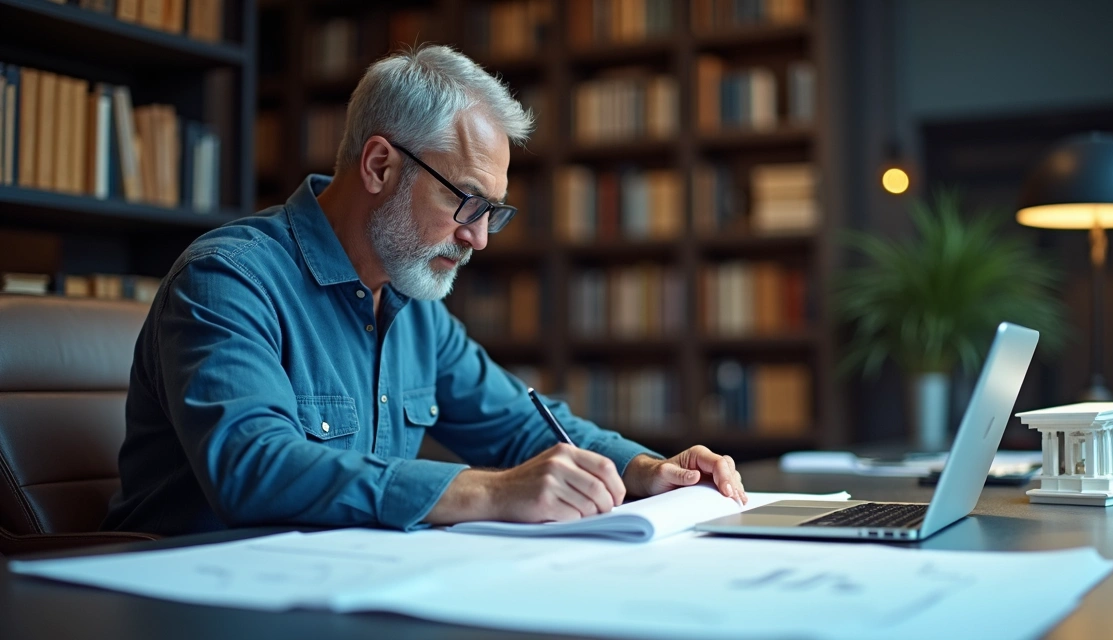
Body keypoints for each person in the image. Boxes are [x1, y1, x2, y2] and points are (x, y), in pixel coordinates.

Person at [103, 45, 746, 536]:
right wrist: (490, 492)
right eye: (466, 201)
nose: (479, 239)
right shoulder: (228, 278)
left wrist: (644, 470)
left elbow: (521, 425)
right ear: (379, 165)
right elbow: (253, 466)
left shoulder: (412, 305)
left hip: (342, 591)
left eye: (492, 212)